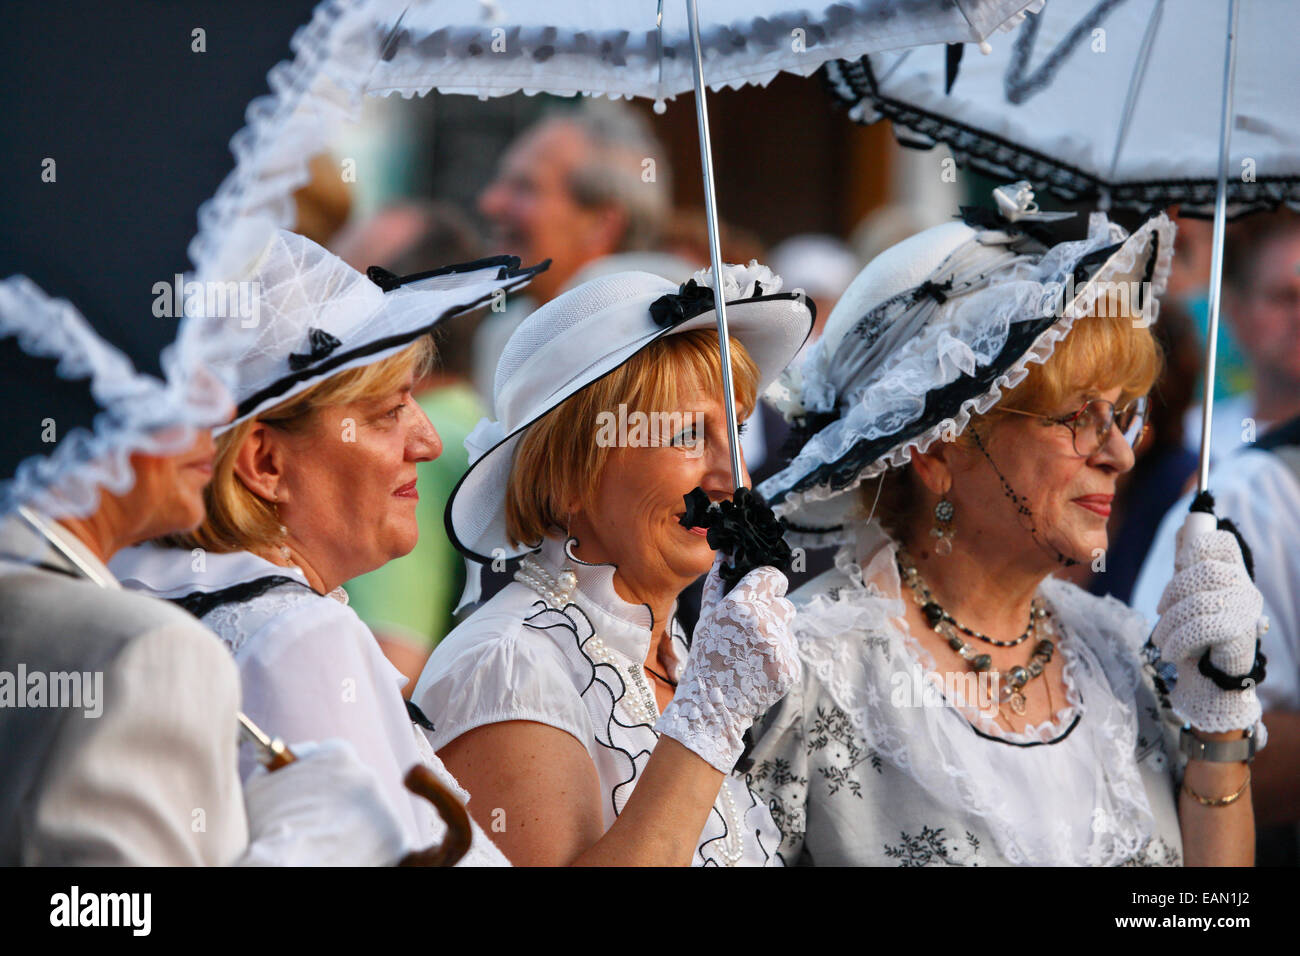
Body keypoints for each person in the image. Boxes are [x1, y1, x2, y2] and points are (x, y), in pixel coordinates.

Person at [749, 183, 1266, 866]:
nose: (1117, 453)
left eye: (1123, 415)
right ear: (938, 452)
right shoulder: (811, 669)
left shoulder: (1123, 662)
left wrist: (1218, 738)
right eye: (1080, 416)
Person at [110, 230, 547, 865]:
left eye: (413, 405)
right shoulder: (298, 636)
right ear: (264, 462)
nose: (425, 441)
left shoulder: (161, 596)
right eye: (385, 413)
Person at [0, 276, 406, 866]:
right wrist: (318, 844)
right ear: (87, 398)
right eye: (187, 376)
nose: (219, 411)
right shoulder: (147, 649)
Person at [413, 263, 811, 865]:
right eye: (686, 434)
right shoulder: (509, 665)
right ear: (571, 475)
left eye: (736, 429)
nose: (732, 477)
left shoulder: (676, 654)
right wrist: (711, 722)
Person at [471, 100, 673, 400]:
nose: (489, 203)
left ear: (601, 224)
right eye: (501, 182)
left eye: (525, 187)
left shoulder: (659, 337)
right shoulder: (503, 334)